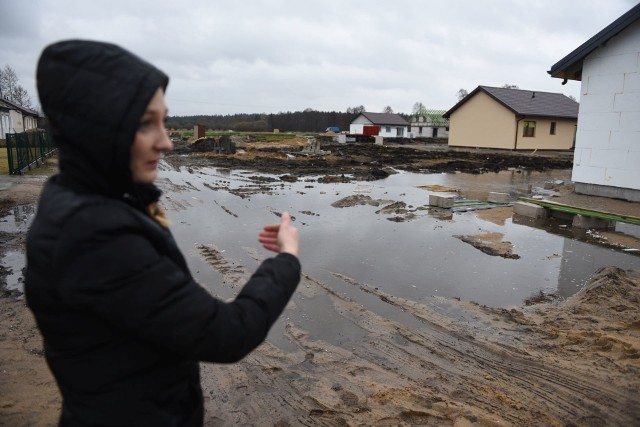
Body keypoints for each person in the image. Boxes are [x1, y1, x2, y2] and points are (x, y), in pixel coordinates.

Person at [25, 39, 301, 426]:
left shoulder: (80, 200)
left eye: (164, 120)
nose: (167, 142)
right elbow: (226, 334)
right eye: (144, 123)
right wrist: (286, 260)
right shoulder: (98, 236)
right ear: (97, 129)